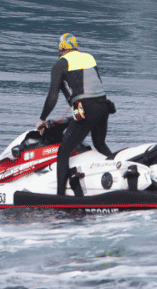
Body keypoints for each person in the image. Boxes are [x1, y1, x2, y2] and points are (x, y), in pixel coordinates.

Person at [36, 33, 115, 197]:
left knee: (64, 150)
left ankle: (60, 196)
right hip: (104, 107)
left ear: (61, 49)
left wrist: (42, 119)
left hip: (86, 110)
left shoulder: (60, 64)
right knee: (99, 144)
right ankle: (118, 170)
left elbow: (53, 97)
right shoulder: (89, 58)